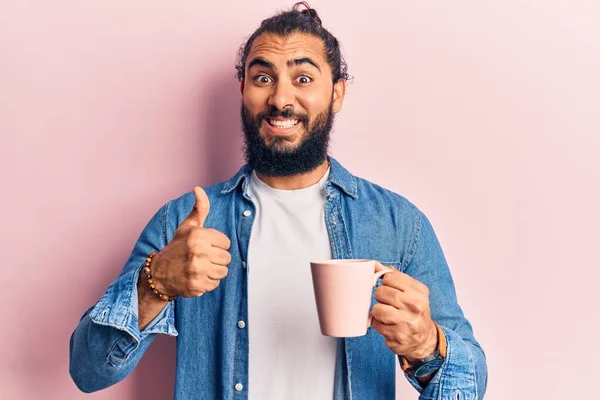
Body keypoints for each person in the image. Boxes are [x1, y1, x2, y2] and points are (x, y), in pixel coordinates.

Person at [69, 2, 487, 399]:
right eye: (263, 78)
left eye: (303, 79)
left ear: (337, 93)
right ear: (243, 90)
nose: (280, 99)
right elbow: (87, 370)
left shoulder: (399, 225)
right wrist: (155, 282)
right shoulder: (184, 224)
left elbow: (472, 384)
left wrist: (427, 344)